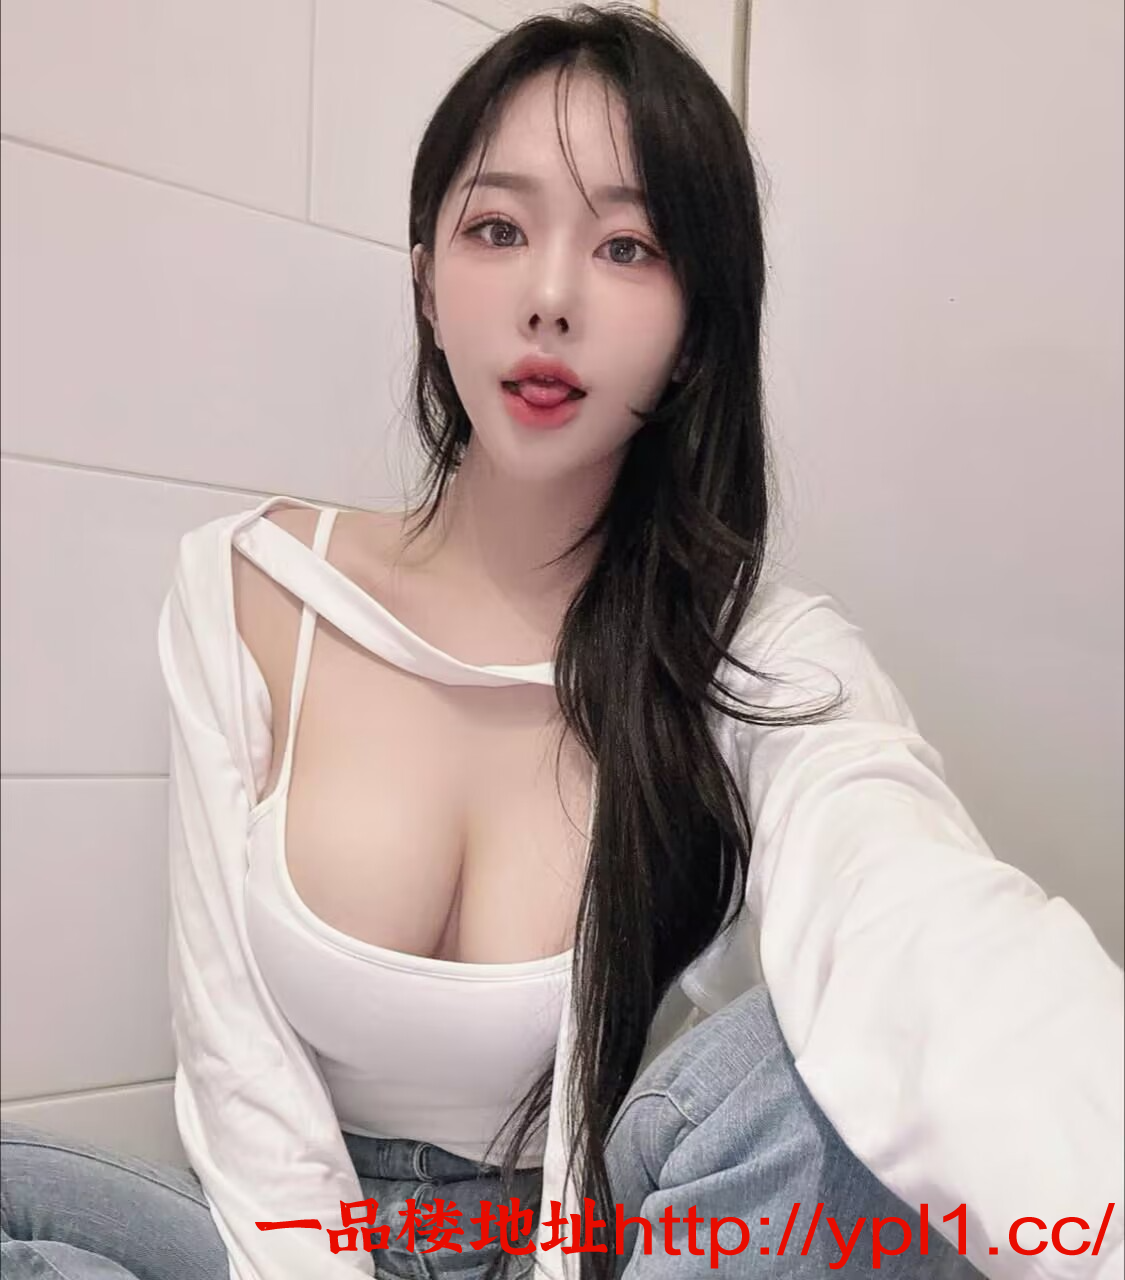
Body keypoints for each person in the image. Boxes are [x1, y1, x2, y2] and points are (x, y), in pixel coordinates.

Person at [2, 6, 1121, 1280]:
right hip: (302, 1234)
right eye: (498, 228)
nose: (549, 297)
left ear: (694, 333)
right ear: (426, 277)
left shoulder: (754, 654)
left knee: (814, 1074)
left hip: (598, 1239)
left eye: (627, 245)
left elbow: (921, 924)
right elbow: (238, 1069)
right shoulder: (250, 588)